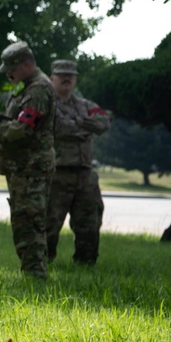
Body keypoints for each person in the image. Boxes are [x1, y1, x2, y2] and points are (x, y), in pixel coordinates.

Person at [0, 41, 56, 279]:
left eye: (12, 68)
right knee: (24, 220)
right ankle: (33, 272)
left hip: (31, 168)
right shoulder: (27, 86)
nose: (9, 74)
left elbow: (22, 129)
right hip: (23, 168)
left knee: (29, 222)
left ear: (27, 64)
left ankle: (35, 275)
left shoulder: (38, 89)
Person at [47, 59, 111, 265]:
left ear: (75, 79)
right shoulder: (48, 104)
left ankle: (86, 264)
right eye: (62, 75)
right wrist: (84, 127)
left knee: (90, 222)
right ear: (52, 78)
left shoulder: (86, 105)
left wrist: (76, 124)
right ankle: (43, 264)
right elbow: (58, 126)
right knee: (49, 223)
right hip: (56, 173)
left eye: (70, 75)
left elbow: (103, 122)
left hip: (85, 174)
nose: (66, 78)